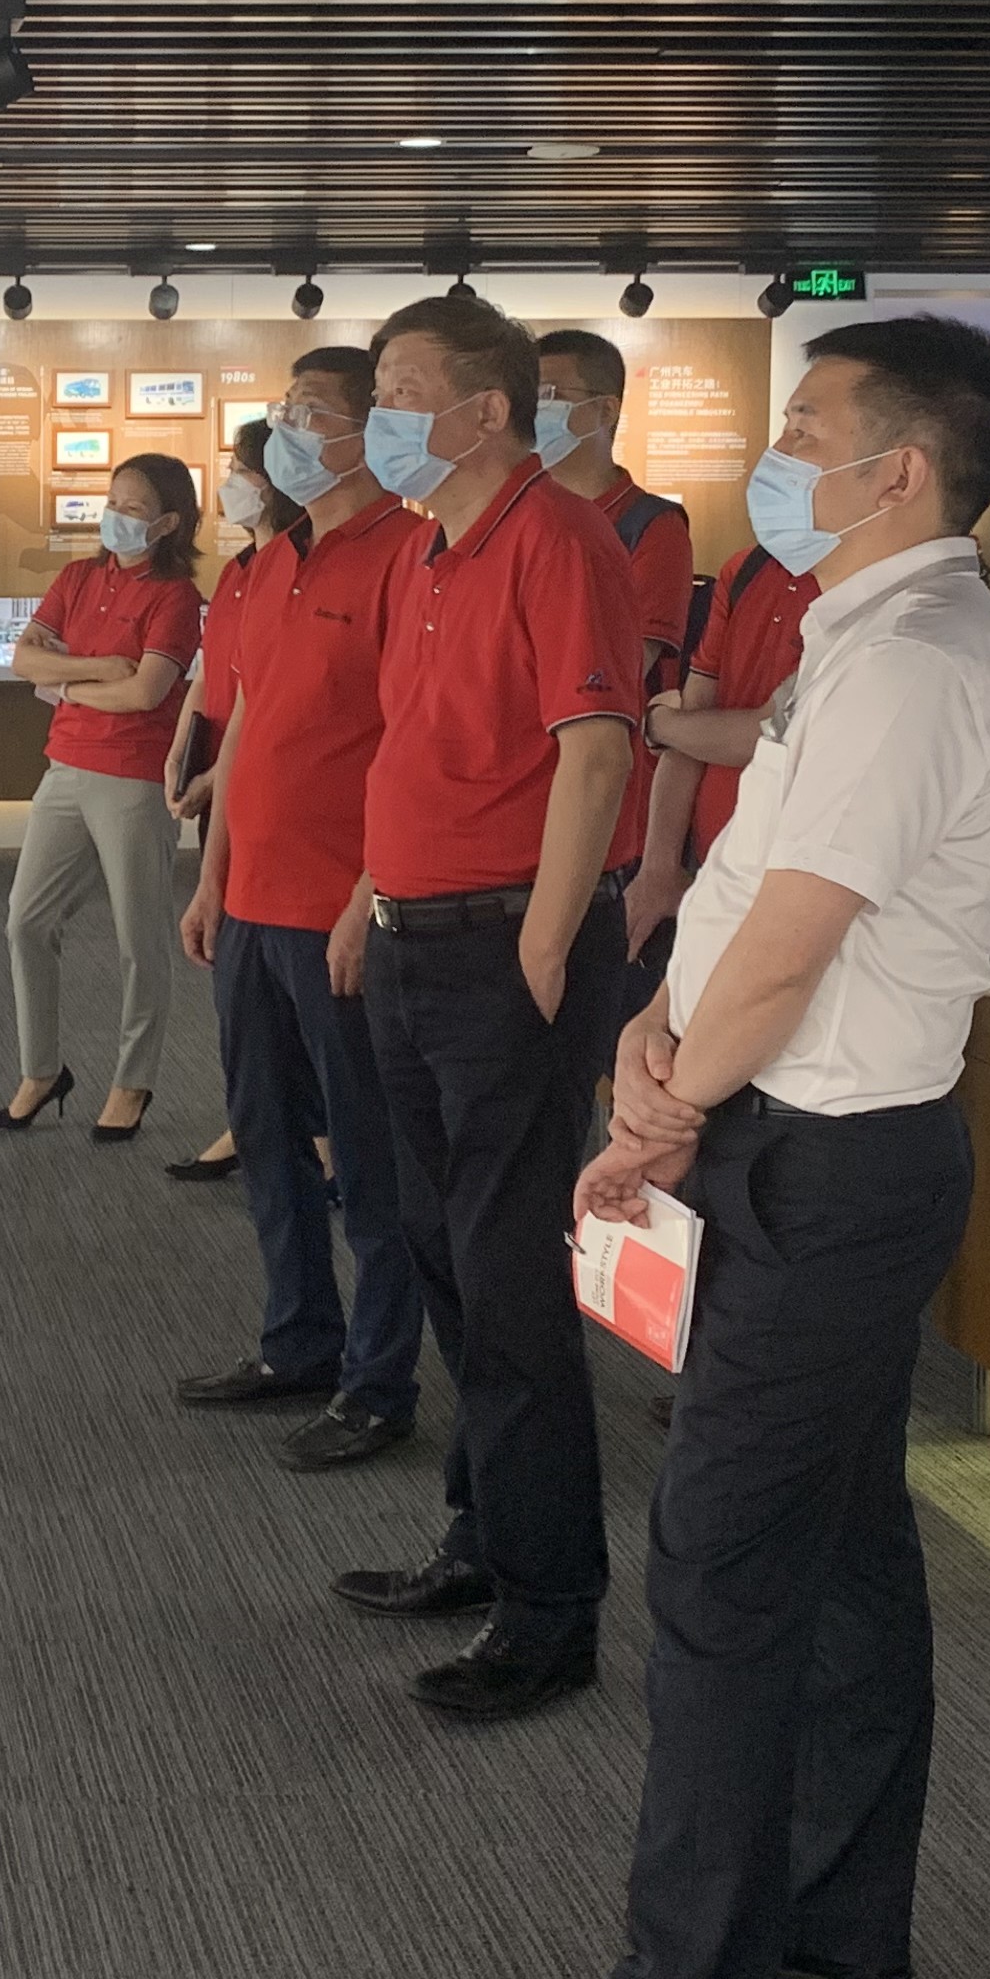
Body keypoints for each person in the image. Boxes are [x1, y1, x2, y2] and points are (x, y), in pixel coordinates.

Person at [446, 315, 990, 1979]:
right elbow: (749, 910)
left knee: (717, 1569)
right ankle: (836, 1916)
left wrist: (661, 1106)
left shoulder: (908, 660)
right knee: (842, 1546)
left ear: (897, 471)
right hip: (802, 1139)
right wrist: (662, 1020)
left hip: (824, 1166)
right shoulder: (865, 636)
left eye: (804, 430)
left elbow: (796, 941)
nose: (775, 460)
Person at [322, 291, 647, 1722]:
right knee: (439, 1250)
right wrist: (367, 895)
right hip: (412, 939)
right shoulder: (428, 548)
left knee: (510, 1287)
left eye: (402, 389)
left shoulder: (556, 539)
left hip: (506, 949)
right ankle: (483, 1533)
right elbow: (412, 744)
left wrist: (549, 944)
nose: (380, 414)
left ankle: (550, 1607)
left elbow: (596, 753)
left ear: (486, 410)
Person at [175, 345, 428, 1467]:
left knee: (368, 1161)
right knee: (269, 1141)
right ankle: (297, 1342)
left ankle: (379, 1381)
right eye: (283, 410)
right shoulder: (271, 563)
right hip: (251, 902)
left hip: (341, 909)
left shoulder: (409, 558)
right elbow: (245, 736)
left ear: (371, 429)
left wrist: (368, 898)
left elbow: (412, 746)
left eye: (310, 412)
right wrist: (211, 878)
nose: (286, 430)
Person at [0, 454, 206, 1143]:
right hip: (65, 767)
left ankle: (132, 1081)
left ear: (168, 523)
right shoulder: (78, 578)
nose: (115, 517)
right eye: (112, 502)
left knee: (139, 939)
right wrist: (92, 672)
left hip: (134, 777)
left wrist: (62, 685)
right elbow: (23, 659)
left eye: (133, 508)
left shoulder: (175, 598)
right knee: (27, 922)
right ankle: (41, 1071)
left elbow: (145, 693)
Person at [159, 422, 298, 1185]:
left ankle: (308, 1135)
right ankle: (251, 1120)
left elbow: (270, 696)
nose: (231, 483)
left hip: (267, 789)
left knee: (281, 979)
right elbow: (216, 675)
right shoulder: (243, 569)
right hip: (224, 781)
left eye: (241, 469)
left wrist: (224, 772)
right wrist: (186, 751)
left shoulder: (298, 563)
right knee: (236, 976)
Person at [535, 328, 694, 993]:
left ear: (604, 410)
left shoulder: (649, 525)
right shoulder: (529, 519)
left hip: (609, 806)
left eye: (549, 394)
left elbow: (624, 663)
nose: (533, 409)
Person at [625, 538, 818, 963]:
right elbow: (696, 718)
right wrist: (658, 869)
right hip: (710, 870)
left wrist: (659, 724)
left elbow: (768, 736)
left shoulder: (853, 587)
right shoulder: (746, 568)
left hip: (793, 879)